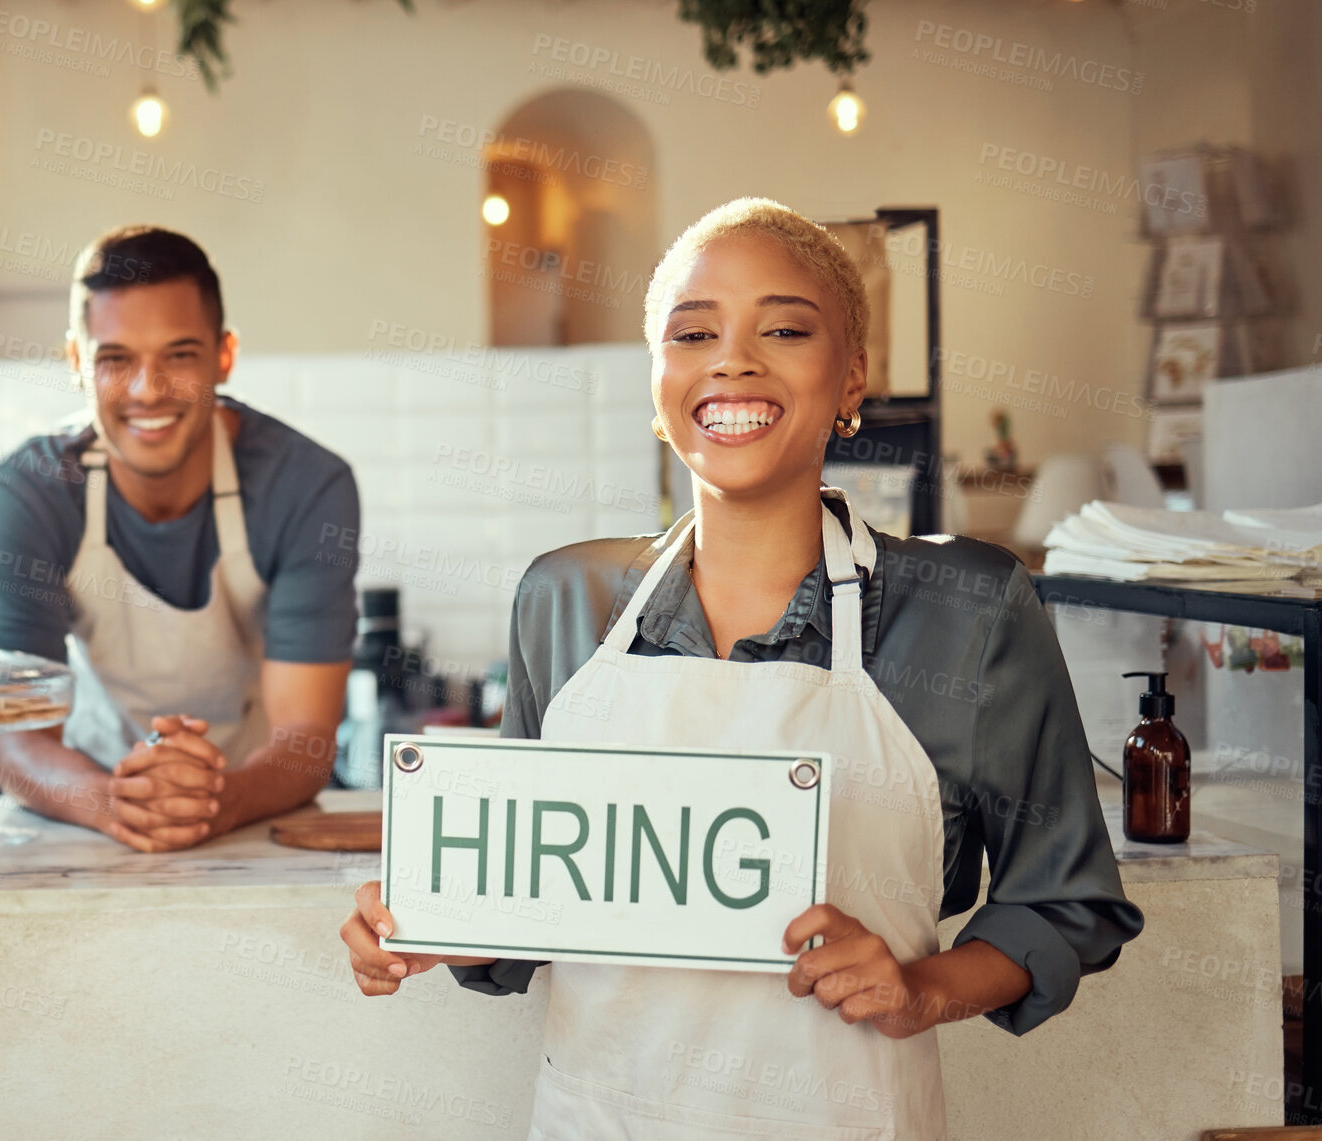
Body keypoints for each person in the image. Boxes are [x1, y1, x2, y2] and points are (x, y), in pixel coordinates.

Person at [340, 198, 1143, 1137]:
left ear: (854, 376)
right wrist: (430, 924)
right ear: (658, 383)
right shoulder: (565, 600)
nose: (733, 358)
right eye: (694, 332)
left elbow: (1064, 900)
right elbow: (520, 913)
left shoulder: (971, 609)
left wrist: (918, 991)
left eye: (785, 328)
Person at [0, 225, 359, 853]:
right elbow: (20, 743)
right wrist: (117, 804)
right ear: (76, 362)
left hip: (258, 815)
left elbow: (306, 740)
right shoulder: (29, 494)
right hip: (88, 810)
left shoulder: (308, 486)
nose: (147, 390)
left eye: (179, 355)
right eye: (114, 359)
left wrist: (216, 801)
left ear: (224, 356)